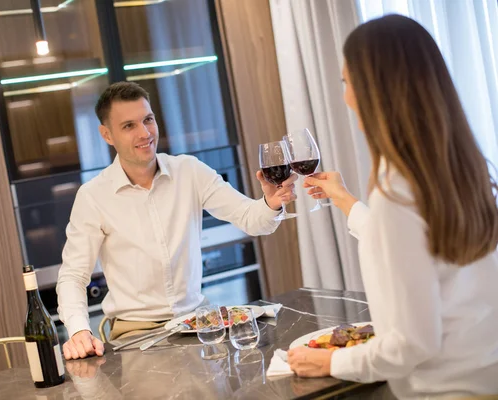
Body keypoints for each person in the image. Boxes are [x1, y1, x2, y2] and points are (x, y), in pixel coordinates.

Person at [287, 14, 498, 398]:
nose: (346, 97)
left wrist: (329, 362)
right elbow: (422, 250)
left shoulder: (395, 197)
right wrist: (347, 201)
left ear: (375, 92)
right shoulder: (463, 168)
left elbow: (412, 344)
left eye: (347, 82)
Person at [56, 81, 297, 360]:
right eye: (129, 126)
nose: (145, 133)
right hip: (137, 336)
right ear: (107, 135)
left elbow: (252, 220)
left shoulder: (189, 171)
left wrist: (270, 203)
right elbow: (73, 275)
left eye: (148, 120)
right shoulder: (93, 197)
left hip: (198, 324)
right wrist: (78, 331)